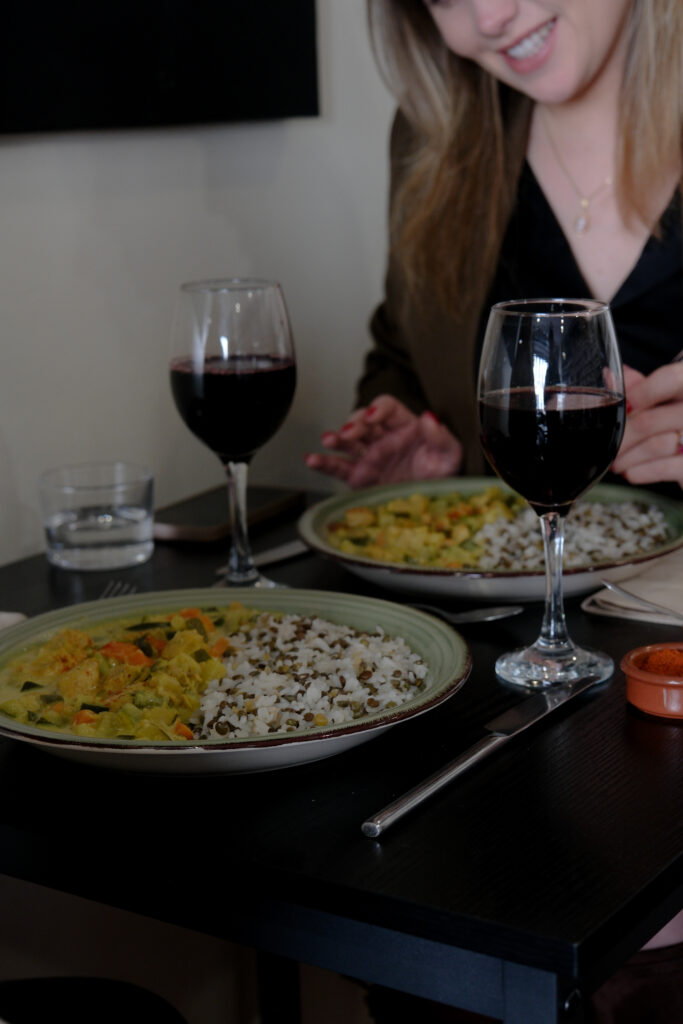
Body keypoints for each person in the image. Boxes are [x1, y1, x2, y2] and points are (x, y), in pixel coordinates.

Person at [304, 1, 683, 1021]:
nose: (485, 14)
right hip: (504, 720)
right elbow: (402, 344)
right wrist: (423, 445)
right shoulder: (436, 128)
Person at [304, 0, 683, 496]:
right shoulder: (433, 139)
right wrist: (432, 449)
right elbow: (404, 354)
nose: (490, 17)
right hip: (516, 572)